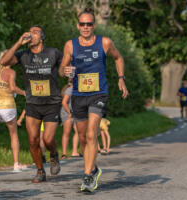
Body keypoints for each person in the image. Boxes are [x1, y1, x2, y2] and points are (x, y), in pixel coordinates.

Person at [59, 8, 128, 192]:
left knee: (91, 134)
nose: (86, 27)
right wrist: (64, 71)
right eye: (83, 24)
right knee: (82, 137)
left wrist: (121, 78)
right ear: (78, 25)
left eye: (89, 24)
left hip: (99, 94)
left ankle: (87, 175)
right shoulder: (70, 45)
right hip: (78, 95)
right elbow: (62, 69)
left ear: (94, 25)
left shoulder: (104, 42)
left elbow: (118, 57)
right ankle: (94, 169)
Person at [1, 25, 62, 183]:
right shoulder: (23, 55)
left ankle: (54, 155)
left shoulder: (53, 53)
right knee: (33, 140)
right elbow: (3, 61)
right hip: (32, 103)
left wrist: (69, 74)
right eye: (29, 32)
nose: (30, 34)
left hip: (51, 103)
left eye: (34, 32)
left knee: (48, 139)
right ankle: (40, 171)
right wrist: (18, 43)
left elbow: (64, 68)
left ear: (41, 37)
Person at [60, 80, 80, 159]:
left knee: (78, 131)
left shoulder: (76, 89)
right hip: (67, 113)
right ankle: (64, 154)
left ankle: (74, 152)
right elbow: (64, 102)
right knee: (66, 132)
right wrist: (70, 113)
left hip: (74, 113)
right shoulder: (70, 89)